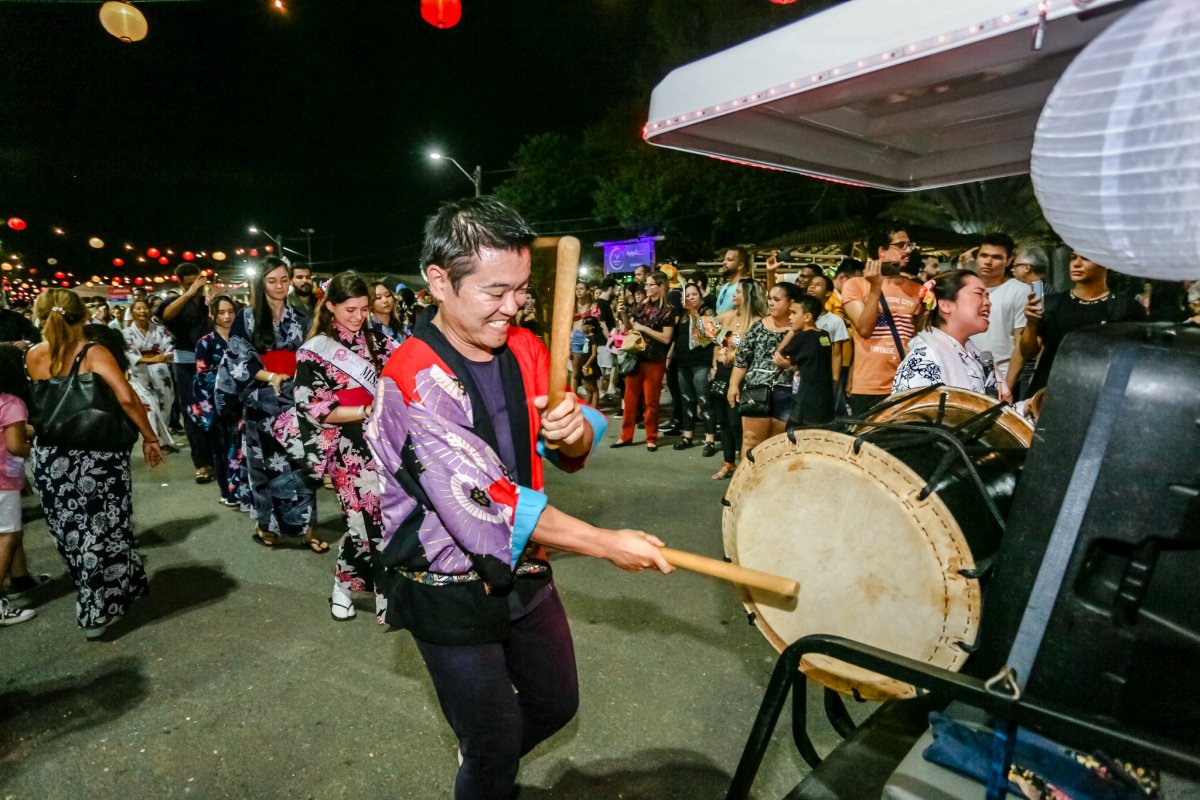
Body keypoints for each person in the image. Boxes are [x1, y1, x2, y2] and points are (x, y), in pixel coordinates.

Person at [365, 197, 673, 800]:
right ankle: (487, 767)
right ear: (438, 282)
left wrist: (575, 429)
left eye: (522, 290)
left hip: (527, 566)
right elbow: (489, 504)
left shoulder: (526, 348)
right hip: (445, 584)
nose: (513, 306)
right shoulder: (413, 376)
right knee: (492, 746)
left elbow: (575, 434)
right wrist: (605, 543)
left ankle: (488, 761)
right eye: (494, 291)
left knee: (556, 704)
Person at [24, 289, 163, 639]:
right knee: (106, 530)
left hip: (51, 458)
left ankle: (125, 584)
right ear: (83, 316)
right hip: (96, 459)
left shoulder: (33, 356)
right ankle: (98, 608)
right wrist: (149, 436)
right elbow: (127, 397)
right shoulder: (94, 352)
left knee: (73, 533)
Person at [293, 272, 398, 622]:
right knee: (362, 523)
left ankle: (389, 595)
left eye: (364, 309)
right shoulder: (315, 351)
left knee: (390, 520)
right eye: (350, 309)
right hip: (349, 446)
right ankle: (342, 585)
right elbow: (314, 406)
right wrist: (365, 408)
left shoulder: (379, 338)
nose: (358, 317)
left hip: (387, 440)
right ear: (331, 305)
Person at [216, 256, 324, 551]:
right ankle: (267, 524)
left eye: (284, 280)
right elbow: (237, 361)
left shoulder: (302, 316)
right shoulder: (247, 317)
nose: (279, 286)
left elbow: (314, 356)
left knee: (300, 466)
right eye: (272, 280)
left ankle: (307, 528)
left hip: (294, 402)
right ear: (261, 284)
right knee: (263, 468)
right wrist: (270, 374)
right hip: (260, 400)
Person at [1019, 252, 1145, 396]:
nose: (1076, 264)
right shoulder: (1052, 304)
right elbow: (1027, 353)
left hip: (1096, 396)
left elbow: (1136, 363)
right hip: (1046, 394)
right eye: (1073, 258)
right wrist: (1031, 323)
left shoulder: (1125, 308)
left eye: (1086, 258)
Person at [841, 224, 923, 413]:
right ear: (882, 251)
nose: (909, 250)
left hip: (908, 383)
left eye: (909, 245)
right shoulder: (856, 285)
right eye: (901, 245)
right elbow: (864, 329)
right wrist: (875, 288)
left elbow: (922, 335)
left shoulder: (918, 290)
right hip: (870, 386)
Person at [893, 270, 998, 396]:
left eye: (987, 296)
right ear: (946, 305)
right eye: (978, 294)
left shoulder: (975, 356)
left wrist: (1025, 407)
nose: (988, 302)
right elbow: (915, 414)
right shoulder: (924, 359)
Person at [157, 263, 217, 483]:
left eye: (196, 281)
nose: (195, 287)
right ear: (180, 283)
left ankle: (218, 458)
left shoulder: (207, 302)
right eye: (188, 283)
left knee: (216, 410)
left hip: (212, 362)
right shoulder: (173, 303)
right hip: (186, 364)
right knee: (192, 413)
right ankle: (201, 463)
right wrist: (188, 294)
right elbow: (166, 316)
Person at [729, 282, 802, 458]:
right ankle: (746, 481)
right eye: (769, 299)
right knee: (751, 439)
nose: (771, 303)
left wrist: (791, 367)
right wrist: (733, 385)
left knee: (778, 443)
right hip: (756, 390)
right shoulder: (758, 326)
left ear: (791, 303)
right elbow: (742, 359)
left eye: (777, 299)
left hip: (786, 391)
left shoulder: (800, 331)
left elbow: (808, 364)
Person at [0, 344, 45, 627]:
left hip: (6, 477)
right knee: (9, 535)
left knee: (10, 530)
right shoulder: (11, 403)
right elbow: (15, 446)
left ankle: (20, 577)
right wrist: (31, 445)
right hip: (3, 476)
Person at [191, 295, 249, 510]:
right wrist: (228, 382)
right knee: (221, 449)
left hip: (242, 402)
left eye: (230, 311)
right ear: (212, 314)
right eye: (221, 312)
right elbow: (202, 374)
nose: (227, 316)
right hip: (218, 404)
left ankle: (245, 491)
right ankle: (227, 492)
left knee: (242, 448)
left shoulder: (243, 339)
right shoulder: (205, 342)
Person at [613, 270, 675, 451]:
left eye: (650, 285)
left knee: (651, 401)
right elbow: (629, 328)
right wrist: (623, 314)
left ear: (661, 286)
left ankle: (651, 437)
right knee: (629, 398)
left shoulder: (667, 310)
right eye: (646, 284)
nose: (646, 287)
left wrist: (644, 328)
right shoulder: (641, 306)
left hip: (654, 359)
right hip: (636, 356)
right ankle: (625, 436)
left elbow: (666, 338)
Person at [710, 278, 766, 479]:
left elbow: (758, 352)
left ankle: (745, 463)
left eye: (739, 292)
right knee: (723, 421)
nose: (734, 295)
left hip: (744, 376)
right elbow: (714, 341)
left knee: (737, 423)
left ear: (749, 295)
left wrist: (734, 355)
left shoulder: (759, 322)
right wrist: (714, 363)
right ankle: (728, 462)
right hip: (722, 373)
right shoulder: (725, 317)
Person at [967, 232, 1027, 395]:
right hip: (964, 377)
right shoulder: (964, 289)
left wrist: (1006, 386)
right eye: (983, 255)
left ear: (1009, 261)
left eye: (996, 257)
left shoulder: (1020, 291)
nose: (988, 261)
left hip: (1000, 376)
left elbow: (1021, 345)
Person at [123, 297, 178, 451]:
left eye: (145, 308)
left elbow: (169, 345)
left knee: (165, 405)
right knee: (150, 408)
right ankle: (154, 441)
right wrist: (152, 358)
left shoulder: (160, 329)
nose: (142, 311)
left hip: (161, 372)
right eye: (138, 308)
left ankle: (163, 441)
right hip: (140, 374)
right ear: (132, 312)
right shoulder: (126, 333)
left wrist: (166, 355)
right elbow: (129, 354)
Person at [671, 282, 719, 451]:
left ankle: (709, 439)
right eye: (687, 295)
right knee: (686, 400)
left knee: (704, 400)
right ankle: (687, 436)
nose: (690, 298)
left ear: (700, 296)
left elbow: (712, 337)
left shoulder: (707, 312)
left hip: (701, 364)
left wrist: (714, 365)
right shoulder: (683, 314)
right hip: (683, 364)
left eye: (694, 294)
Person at [775, 295, 836, 427]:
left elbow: (780, 353)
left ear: (807, 317)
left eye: (793, 313)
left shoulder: (802, 337)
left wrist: (792, 331)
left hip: (807, 400)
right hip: (825, 399)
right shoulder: (824, 335)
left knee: (795, 437)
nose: (789, 317)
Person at [806, 273, 849, 385]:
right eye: (810, 284)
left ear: (828, 293)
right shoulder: (797, 317)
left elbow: (837, 354)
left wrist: (835, 380)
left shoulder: (835, 321)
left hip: (823, 376)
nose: (812, 286)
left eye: (818, 284)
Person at [569, 282, 599, 399]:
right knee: (575, 372)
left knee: (588, 371)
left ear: (588, 291)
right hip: (575, 337)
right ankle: (573, 399)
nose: (578, 291)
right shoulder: (572, 306)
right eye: (576, 289)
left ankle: (591, 399)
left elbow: (597, 324)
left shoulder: (593, 306)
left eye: (581, 289)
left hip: (588, 339)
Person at [714, 247, 753, 313]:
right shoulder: (725, 286)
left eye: (729, 260)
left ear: (740, 265)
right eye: (724, 259)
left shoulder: (745, 287)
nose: (724, 262)